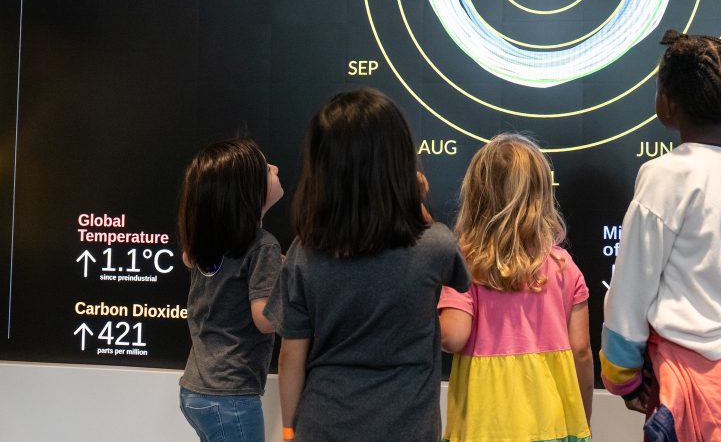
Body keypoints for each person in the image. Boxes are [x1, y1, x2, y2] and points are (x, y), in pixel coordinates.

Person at [600, 31, 721, 442]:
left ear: (668, 103)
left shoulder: (664, 178)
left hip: (689, 386)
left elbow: (631, 288)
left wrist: (623, 376)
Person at [265, 88, 471, 442]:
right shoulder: (436, 245)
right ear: (401, 163)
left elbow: (290, 355)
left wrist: (288, 428)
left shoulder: (303, 253)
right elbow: (448, 266)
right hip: (408, 429)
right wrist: (413, 202)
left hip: (322, 426)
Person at [438, 132, 593, 442]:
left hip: (481, 429)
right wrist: (583, 418)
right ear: (541, 196)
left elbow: (452, 337)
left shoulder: (464, 265)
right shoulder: (564, 268)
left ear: (476, 196)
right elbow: (582, 352)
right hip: (555, 425)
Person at [177, 137, 285, 442]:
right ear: (249, 190)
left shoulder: (209, 242)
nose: (275, 169)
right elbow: (264, 318)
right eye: (266, 168)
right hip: (230, 396)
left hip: (196, 389)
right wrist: (293, 286)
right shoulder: (263, 245)